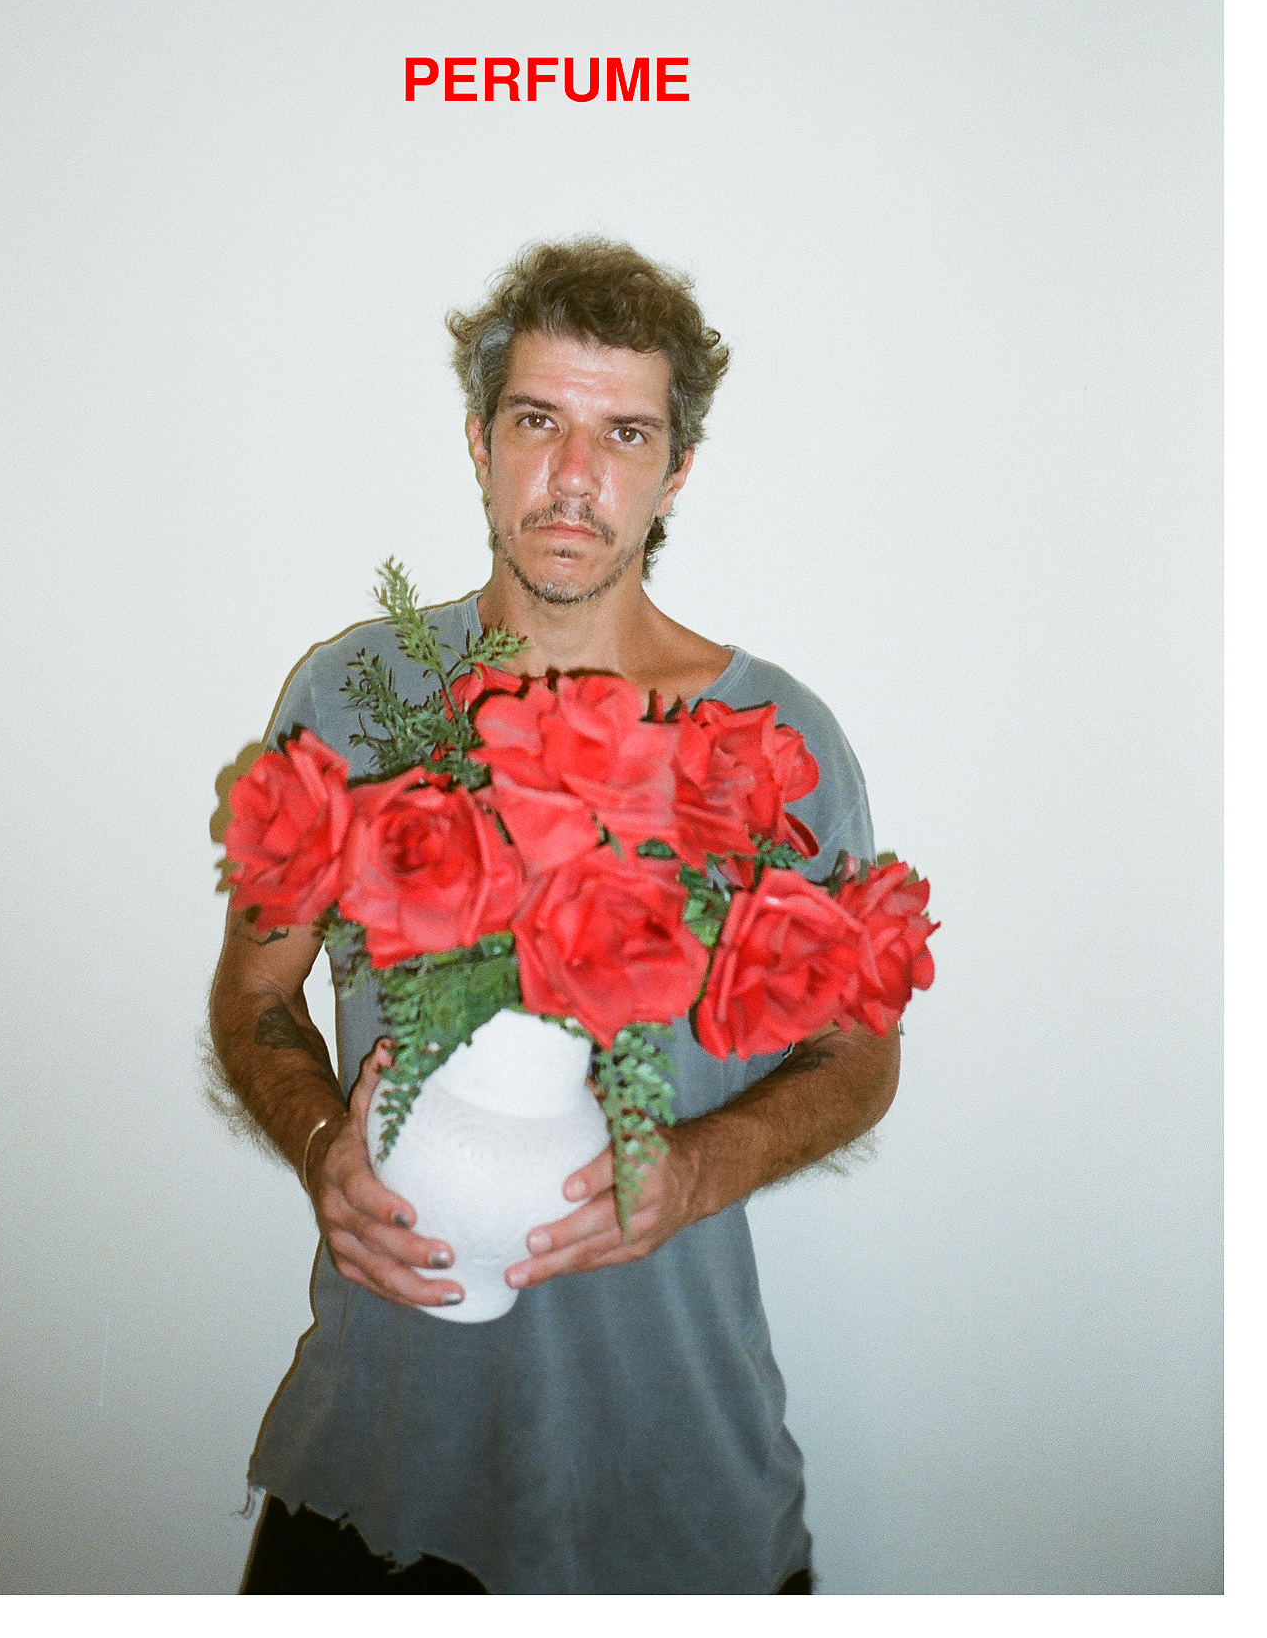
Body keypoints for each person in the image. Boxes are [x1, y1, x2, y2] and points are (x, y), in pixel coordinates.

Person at [208, 238, 900, 1595]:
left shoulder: (772, 740)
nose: (574, 477)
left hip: (669, 1481)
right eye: (537, 421)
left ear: (676, 469)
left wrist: (697, 1167)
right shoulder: (352, 697)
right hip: (379, 1464)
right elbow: (254, 998)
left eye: (623, 433)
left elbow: (860, 1057)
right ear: (480, 442)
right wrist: (321, 1146)